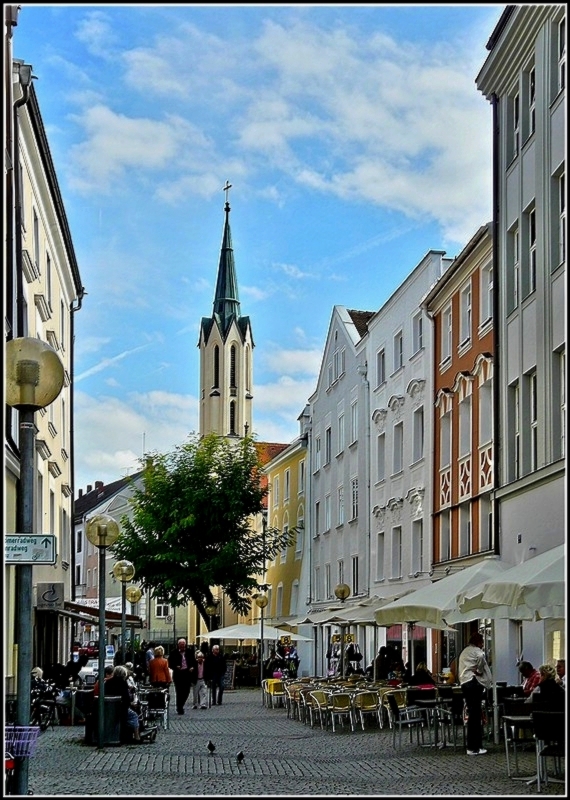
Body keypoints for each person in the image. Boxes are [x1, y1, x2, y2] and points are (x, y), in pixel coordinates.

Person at [458, 631, 492, 756]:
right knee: (475, 715)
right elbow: (481, 657)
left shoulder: (465, 651)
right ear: (479, 642)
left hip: (465, 683)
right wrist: (479, 670)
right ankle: (474, 747)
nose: (483, 644)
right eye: (482, 642)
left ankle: (473, 745)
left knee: (473, 714)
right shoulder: (476, 651)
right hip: (472, 683)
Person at [104, 665, 142, 742]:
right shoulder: (123, 683)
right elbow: (126, 699)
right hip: (120, 708)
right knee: (134, 715)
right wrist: (131, 704)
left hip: (108, 708)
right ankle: (137, 736)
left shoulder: (108, 682)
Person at [168, 638, 196, 714]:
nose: (182, 647)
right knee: (179, 692)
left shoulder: (190, 652)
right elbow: (170, 663)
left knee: (187, 691)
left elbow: (194, 662)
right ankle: (179, 707)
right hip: (178, 674)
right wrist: (175, 666)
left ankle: (181, 704)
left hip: (187, 673)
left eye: (184, 645)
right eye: (181, 645)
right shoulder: (174, 653)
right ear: (178, 645)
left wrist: (192, 667)